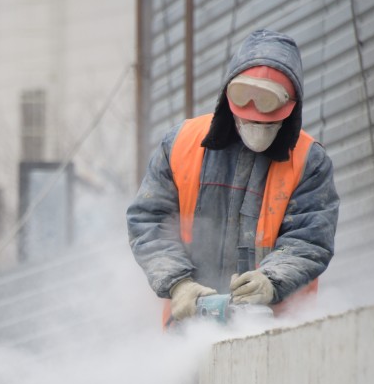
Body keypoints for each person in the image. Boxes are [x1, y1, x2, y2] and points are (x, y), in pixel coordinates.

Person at [127, 29, 340, 323]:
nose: (254, 122)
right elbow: (149, 221)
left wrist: (270, 280)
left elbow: (310, 238)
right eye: (246, 116)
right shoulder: (181, 144)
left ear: (290, 108)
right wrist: (179, 283)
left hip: (275, 333)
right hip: (189, 328)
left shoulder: (309, 161)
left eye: (265, 118)